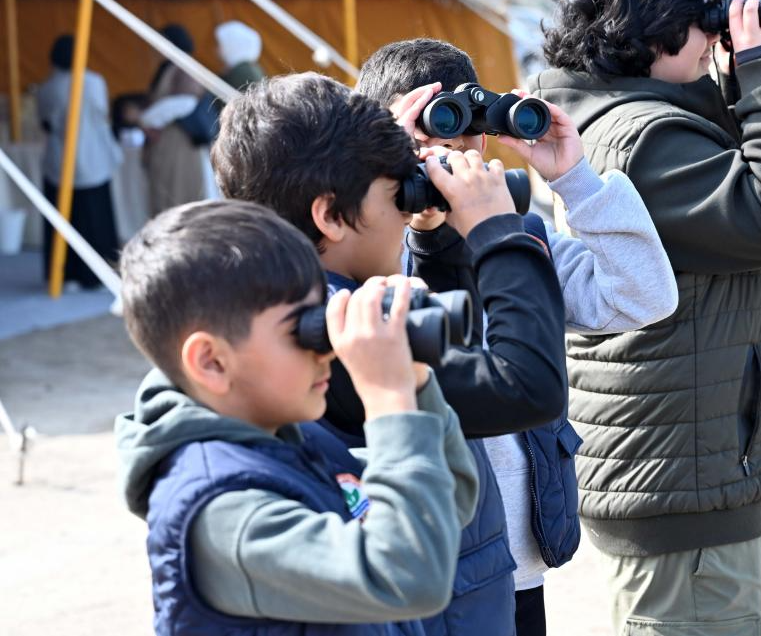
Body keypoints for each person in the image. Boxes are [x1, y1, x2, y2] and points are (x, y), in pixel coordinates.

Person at [530, 0, 761, 634]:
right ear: (646, 31)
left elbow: (743, 170)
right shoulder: (645, 139)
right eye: (702, 17)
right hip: (681, 478)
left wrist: (732, 78)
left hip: (682, 462)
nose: (714, 31)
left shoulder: (632, 117)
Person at [211, 73, 568, 636]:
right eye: (391, 195)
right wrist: (501, 234)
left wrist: (431, 234)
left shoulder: (280, 303)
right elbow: (527, 387)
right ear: (330, 215)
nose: (404, 210)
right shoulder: (337, 336)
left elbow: (450, 346)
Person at [355, 38, 680, 636]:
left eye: (463, 133)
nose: (447, 158)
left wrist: (574, 179)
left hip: (514, 557)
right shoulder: (362, 245)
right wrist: (379, 189)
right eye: (425, 138)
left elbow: (643, 295)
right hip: (415, 554)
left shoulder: (516, 238)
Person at [115, 199, 479, 634]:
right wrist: (387, 396)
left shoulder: (292, 440)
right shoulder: (225, 513)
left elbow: (447, 502)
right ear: (211, 362)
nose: (326, 347)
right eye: (302, 329)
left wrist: (416, 381)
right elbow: (409, 576)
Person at [36, 34, 121, 289]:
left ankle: (65, 274)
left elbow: (45, 123)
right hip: (93, 156)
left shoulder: (47, 87)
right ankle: (97, 273)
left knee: (63, 219)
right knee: (96, 217)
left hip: (60, 159)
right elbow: (102, 114)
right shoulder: (94, 81)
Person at [143, 23, 207, 215]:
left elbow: (184, 103)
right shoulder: (169, 67)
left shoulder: (184, 67)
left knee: (178, 194)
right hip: (166, 144)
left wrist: (146, 119)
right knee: (166, 193)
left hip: (179, 144)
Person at [215, 20, 266, 90]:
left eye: (220, 44)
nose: (216, 49)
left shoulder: (242, 71)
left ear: (232, 45)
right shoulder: (246, 68)